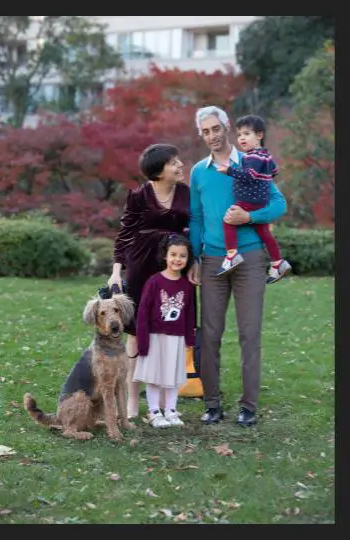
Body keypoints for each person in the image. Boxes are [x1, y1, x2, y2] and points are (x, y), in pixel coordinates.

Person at [188, 105, 287, 427]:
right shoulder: (199, 171)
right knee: (211, 334)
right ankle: (212, 404)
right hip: (214, 260)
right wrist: (197, 258)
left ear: (227, 127)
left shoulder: (252, 161)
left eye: (217, 128)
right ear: (201, 134)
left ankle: (249, 407)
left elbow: (278, 204)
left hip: (251, 257)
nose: (212, 135)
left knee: (249, 333)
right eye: (206, 131)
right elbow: (197, 218)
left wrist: (250, 217)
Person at [109, 143, 192, 419]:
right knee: (136, 333)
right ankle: (133, 400)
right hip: (142, 264)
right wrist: (115, 271)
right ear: (157, 172)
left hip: (174, 264)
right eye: (173, 163)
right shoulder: (139, 195)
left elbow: (193, 228)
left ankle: (165, 399)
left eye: (178, 160)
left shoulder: (186, 193)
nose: (180, 165)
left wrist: (195, 262)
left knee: (169, 330)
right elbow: (125, 233)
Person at [214, 114, 292, 284]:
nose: (242, 138)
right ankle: (278, 262)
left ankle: (232, 255)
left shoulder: (251, 157)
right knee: (264, 232)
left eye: (247, 134)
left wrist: (229, 171)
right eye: (240, 134)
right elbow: (274, 172)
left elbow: (249, 176)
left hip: (248, 200)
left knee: (228, 220)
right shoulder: (266, 155)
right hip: (260, 202)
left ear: (259, 135)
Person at [134, 234, 196, 428]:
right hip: (155, 336)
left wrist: (190, 339)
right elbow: (143, 312)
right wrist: (142, 341)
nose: (177, 259)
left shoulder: (187, 285)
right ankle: (154, 411)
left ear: (188, 259)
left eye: (182, 256)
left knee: (173, 376)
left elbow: (190, 313)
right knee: (154, 375)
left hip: (176, 337)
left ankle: (170, 410)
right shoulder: (154, 282)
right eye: (173, 254)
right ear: (165, 256)